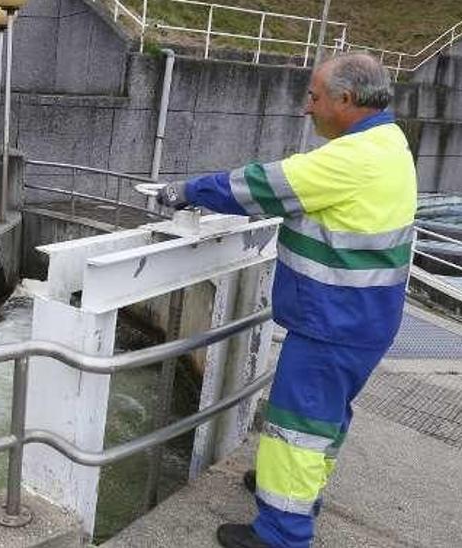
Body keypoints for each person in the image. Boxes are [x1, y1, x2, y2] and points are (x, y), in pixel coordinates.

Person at [156, 53, 417, 548]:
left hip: (333, 324)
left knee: (299, 425)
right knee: (324, 422)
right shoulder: (390, 142)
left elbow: (259, 187)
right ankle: (293, 494)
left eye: (314, 97)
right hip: (364, 320)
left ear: (346, 99)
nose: (307, 107)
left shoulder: (352, 159)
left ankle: (282, 533)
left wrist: (186, 190)